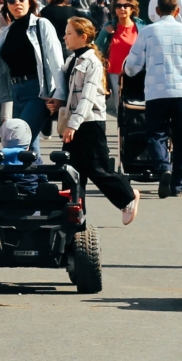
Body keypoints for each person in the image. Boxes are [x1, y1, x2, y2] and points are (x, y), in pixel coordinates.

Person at [58, 16, 139, 225]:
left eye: (69, 33)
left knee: (97, 167)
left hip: (90, 122)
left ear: (83, 37)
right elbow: (70, 94)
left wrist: (73, 125)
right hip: (75, 122)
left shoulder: (92, 61)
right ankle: (74, 216)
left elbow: (87, 96)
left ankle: (127, 196)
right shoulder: (72, 59)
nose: (65, 37)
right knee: (71, 170)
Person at [0, 0, 66, 139]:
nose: (17, 3)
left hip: (38, 92)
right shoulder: (7, 31)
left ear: (29, 1)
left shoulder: (41, 25)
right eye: (11, 0)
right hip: (16, 92)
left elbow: (56, 62)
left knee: (18, 140)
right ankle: (32, 164)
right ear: (6, 5)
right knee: (26, 147)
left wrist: (60, 95)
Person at [127, 0, 182, 194]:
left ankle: (163, 166)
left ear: (157, 10)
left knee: (156, 135)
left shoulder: (148, 31)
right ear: (177, 11)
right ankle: (178, 183)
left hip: (157, 91)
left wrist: (128, 70)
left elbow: (133, 65)